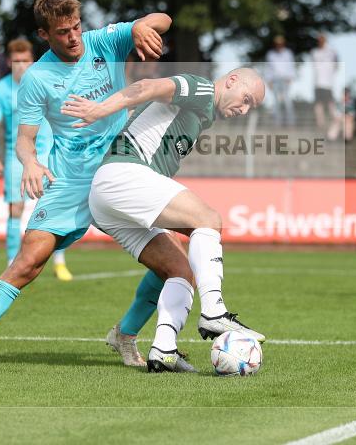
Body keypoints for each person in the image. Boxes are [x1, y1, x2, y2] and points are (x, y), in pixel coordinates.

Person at [0, 0, 172, 373]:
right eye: (63, 32)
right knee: (28, 261)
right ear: (44, 35)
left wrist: (144, 25)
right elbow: (24, 141)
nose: (73, 37)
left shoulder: (102, 42)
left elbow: (163, 19)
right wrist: (29, 163)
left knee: (175, 263)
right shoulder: (37, 78)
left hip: (120, 166)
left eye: (76, 27)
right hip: (72, 179)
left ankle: (125, 334)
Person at [60, 68, 267, 371]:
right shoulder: (201, 89)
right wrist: (99, 109)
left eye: (251, 107)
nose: (244, 109)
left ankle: (163, 350)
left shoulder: (203, 116)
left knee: (180, 269)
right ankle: (214, 312)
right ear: (232, 81)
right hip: (123, 175)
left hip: (109, 198)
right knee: (208, 220)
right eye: (246, 99)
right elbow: (147, 86)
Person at [0, 38, 71, 278]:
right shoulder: (1, 90)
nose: (21, 65)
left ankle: (59, 261)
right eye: (16, 61)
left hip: (50, 154)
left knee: (54, 208)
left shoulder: (45, 81)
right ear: (8, 62)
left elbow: (62, 114)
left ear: (32, 60)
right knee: (15, 209)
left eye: (25, 60)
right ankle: (13, 260)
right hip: (17, 158)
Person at [265, 35, 296, 126]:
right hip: (274, 80)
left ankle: (291, 123)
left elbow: (291, 66)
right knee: (276, 102)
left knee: (287, 102)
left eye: (280, 43)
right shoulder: (271, 54)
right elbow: (269, 68)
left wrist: (290, 78)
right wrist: (269, 81)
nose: (279, 45)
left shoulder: (288, 53)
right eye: (277, 43)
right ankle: (277, 123)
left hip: (285, 80)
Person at [311, 34, 339, 130]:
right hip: (318, 83)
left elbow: (336, 65)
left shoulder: (332, 52)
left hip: (328, 83)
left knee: (330, 104)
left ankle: (336, 121)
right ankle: (320, 124)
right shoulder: (315, 52)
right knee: (319, 105)